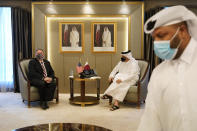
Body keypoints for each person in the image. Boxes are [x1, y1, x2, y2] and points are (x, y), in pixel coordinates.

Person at [137, 5, 197, 131]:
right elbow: (151, 120)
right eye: (154, 38)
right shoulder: (158, 73)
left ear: (182, 31)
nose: (157, 43)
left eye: (162, 35)